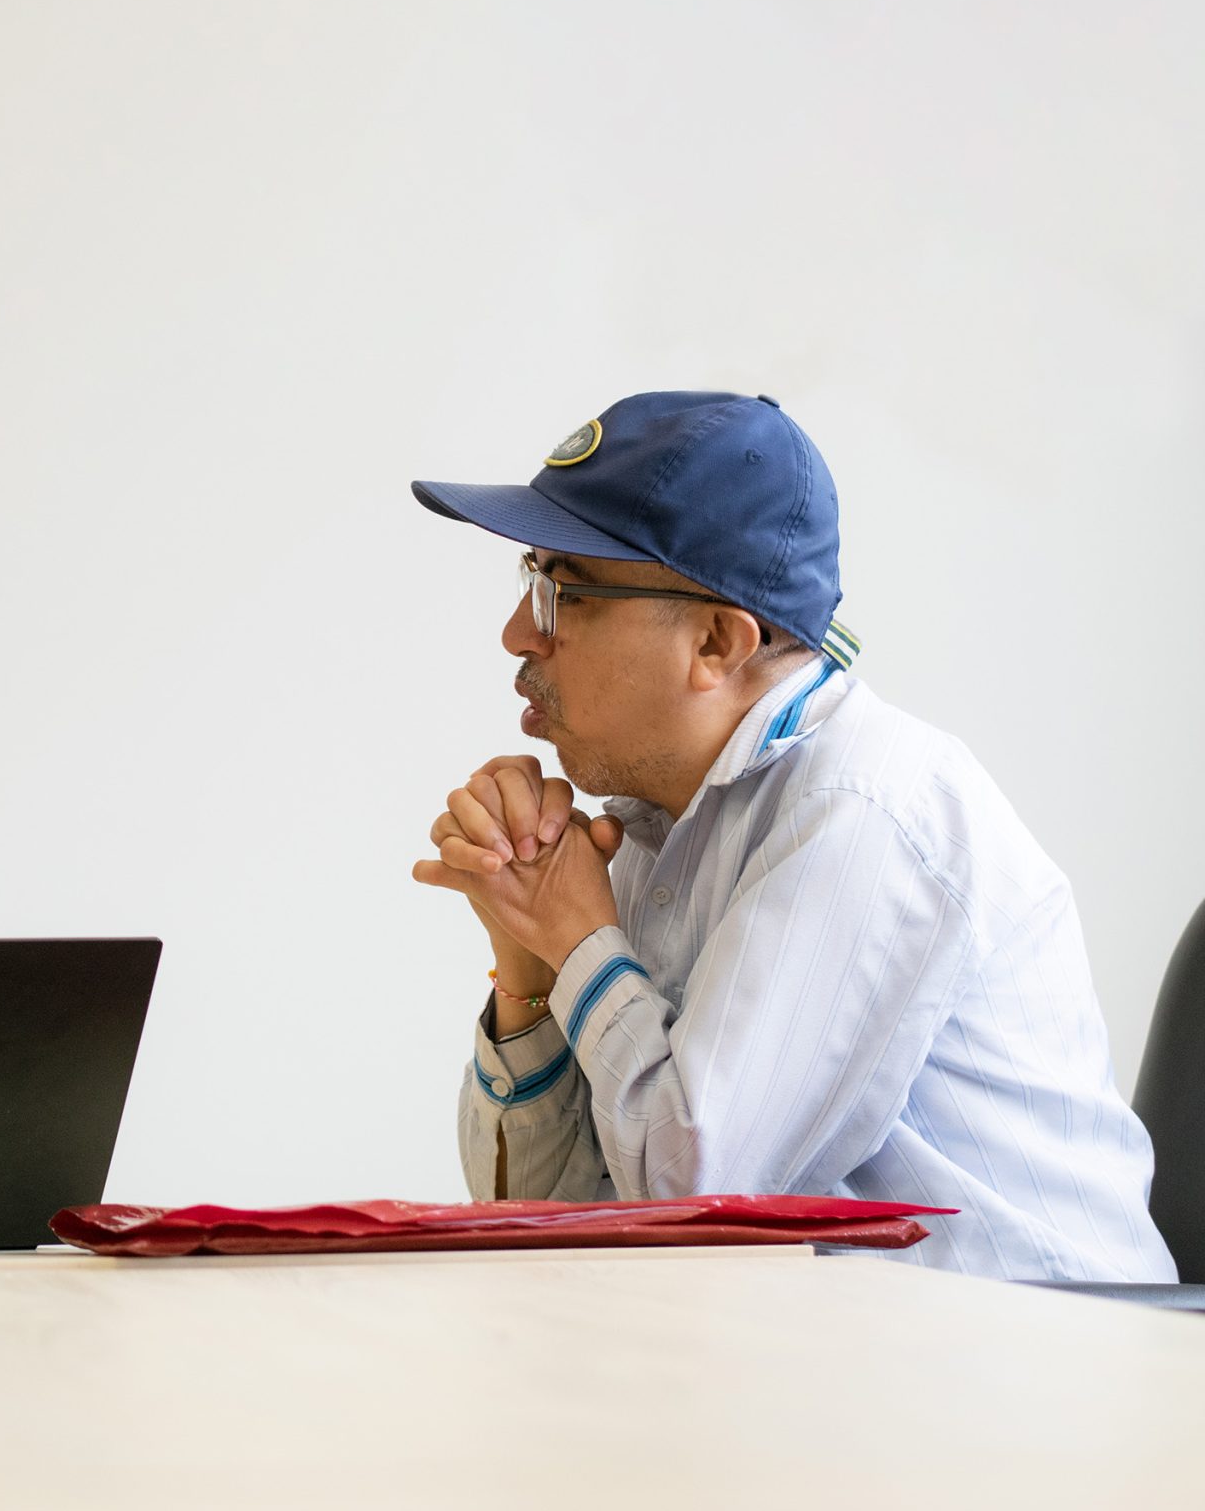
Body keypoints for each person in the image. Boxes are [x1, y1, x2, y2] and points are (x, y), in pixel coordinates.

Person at [407, 391, 1173, 1282]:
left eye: (560, 591)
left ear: (717, 643)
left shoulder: (864, 811)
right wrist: (531, 971)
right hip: (840, 1370)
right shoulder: (658, 824)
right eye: (528, 578)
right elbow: (548, 1228)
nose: (515, 634)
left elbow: (696, 1204)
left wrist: (579, 939)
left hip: (1048, 1376)